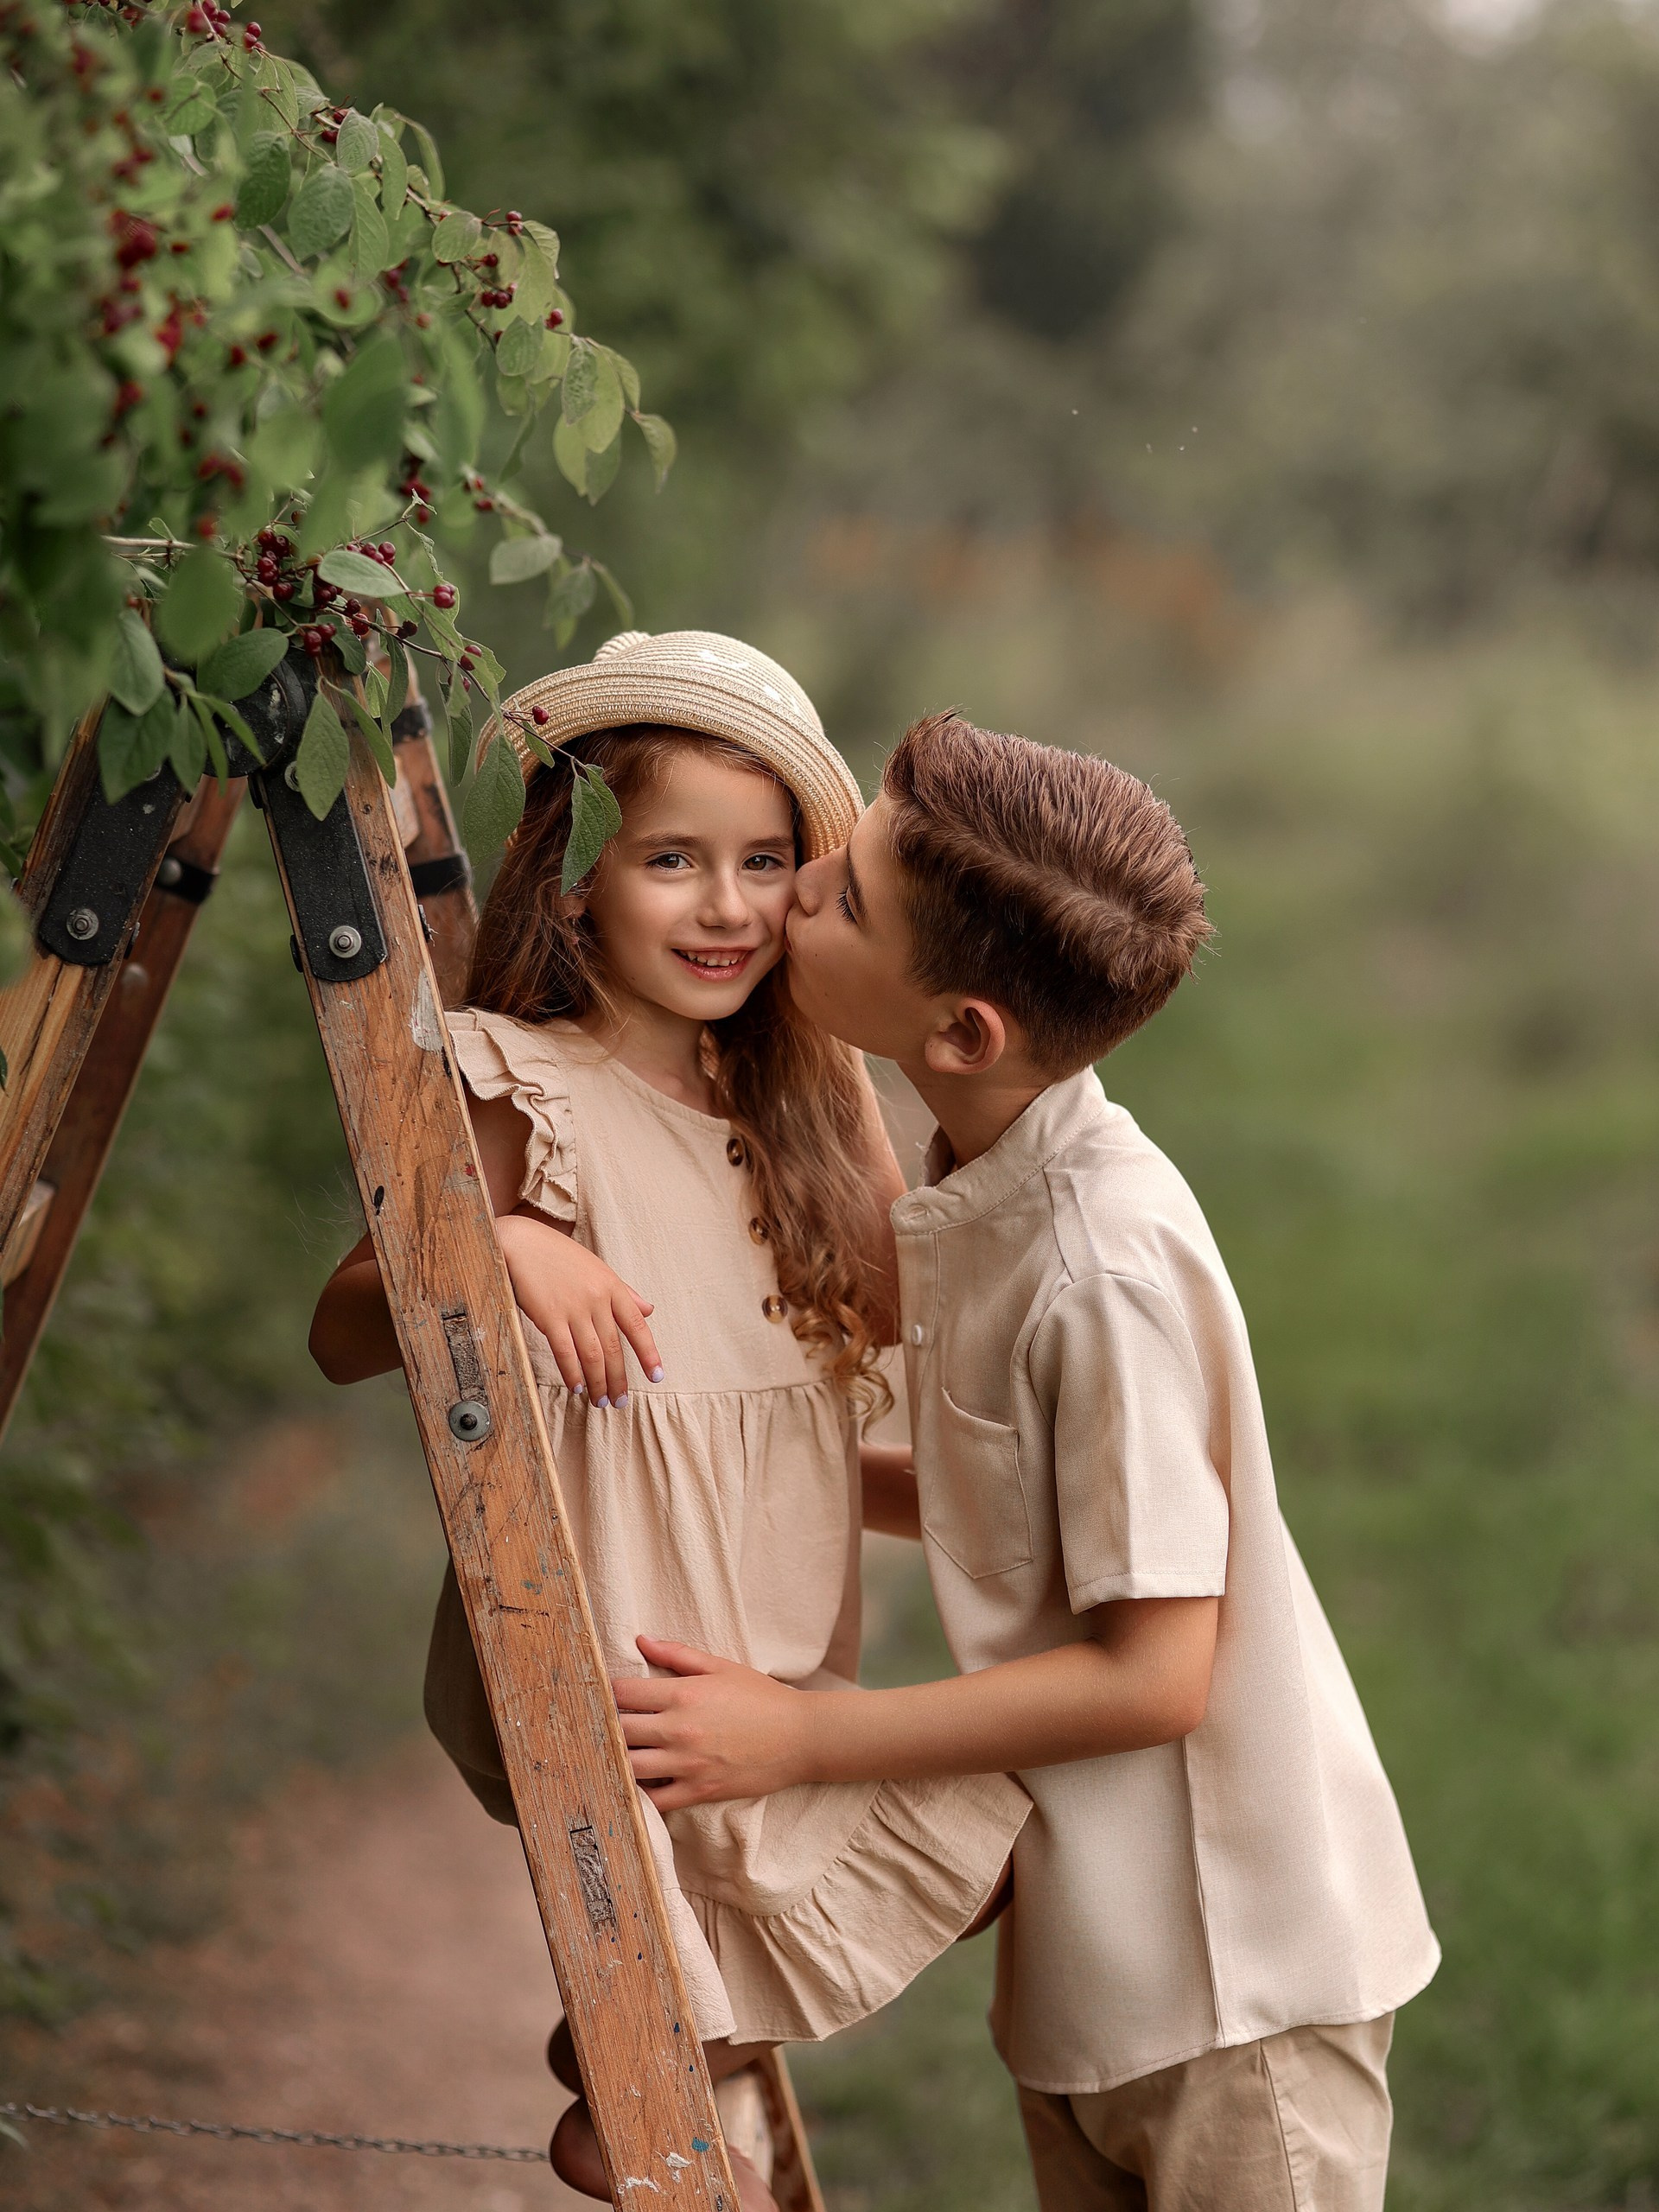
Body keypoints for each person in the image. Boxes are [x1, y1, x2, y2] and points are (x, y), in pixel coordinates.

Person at [612, 710, 1441, 2212]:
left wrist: (791, 1741)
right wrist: (712, 1460)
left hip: (1235, 1999)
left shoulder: (1102, 1267)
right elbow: (1011, 1515)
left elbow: (1155, 1677)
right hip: (1097, 1980)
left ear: (962, 1034)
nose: (796, 888)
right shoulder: (982, 1178)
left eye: (843, 893)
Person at [307, 644, 1029, 2210]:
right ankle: (633, 2057)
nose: (726, 906)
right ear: (579, 886)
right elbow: (345, 1327)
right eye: (673, 861)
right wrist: (494, 1241)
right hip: (616, 1644)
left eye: (766, 863)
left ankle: (637, 2052)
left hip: (772, 1658)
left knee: (1034, 1835)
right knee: (673, 2037)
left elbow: (861, 1384)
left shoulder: (809, 1108)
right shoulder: (521, 1084)